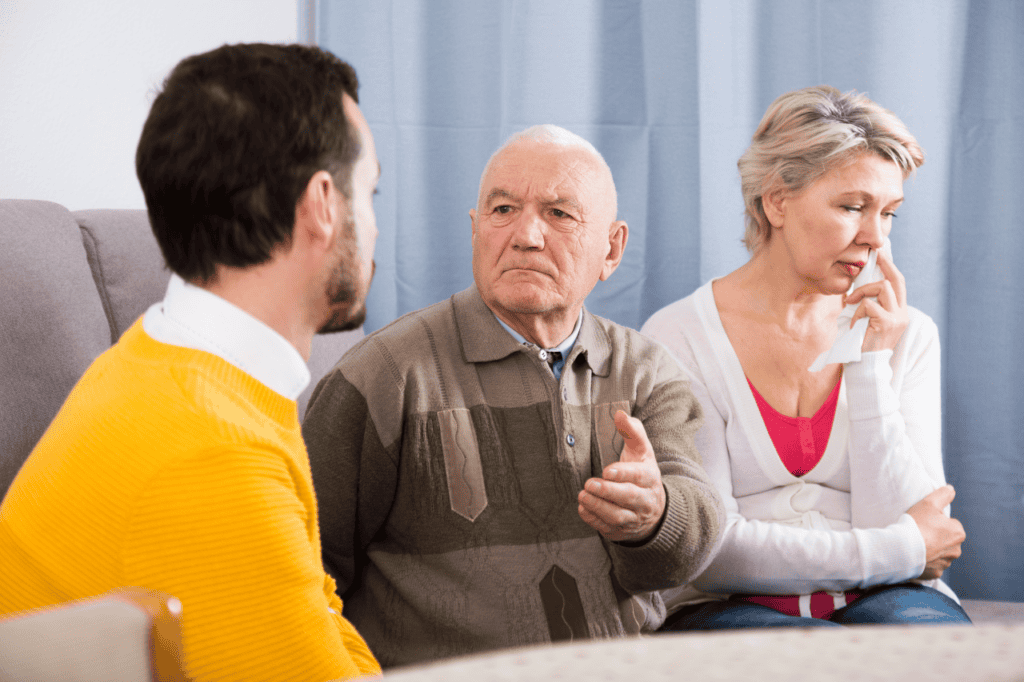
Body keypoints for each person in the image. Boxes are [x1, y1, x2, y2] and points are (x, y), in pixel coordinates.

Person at [0, 44, 383, 679]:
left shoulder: (167, 357)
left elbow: (316, 610)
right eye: (369, 192)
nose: (373, 228)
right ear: (323, 204)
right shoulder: (213, 453)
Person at [302, 124, 725, 667]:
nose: (525, 235)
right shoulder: (382, 375)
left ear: (612, 249)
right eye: (502, 210)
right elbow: (306, 574)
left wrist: (654, 518)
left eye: (559, 213)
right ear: (475, 230)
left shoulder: (647, 372)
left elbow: (684, 554)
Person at [642, 85, 970, 629]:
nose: (875, 239)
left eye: (889, 214)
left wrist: (869, 370)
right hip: (725, 607)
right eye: (851, 207)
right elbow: (711, 552)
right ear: (776, 202)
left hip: (890, 597)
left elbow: (921, 530)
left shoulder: (909, 335)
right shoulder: (679, 338)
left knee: (936, 652)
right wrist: (901, 548)